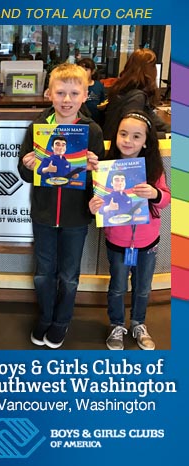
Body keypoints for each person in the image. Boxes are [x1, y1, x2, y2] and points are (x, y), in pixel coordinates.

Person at [18, 63, 105, 349]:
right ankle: (45, 317)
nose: (67, 100)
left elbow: (99, 180)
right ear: (49, 94)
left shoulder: (92, 131)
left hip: (75, 217)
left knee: (69, 276)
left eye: (74, 93)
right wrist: (28, 165)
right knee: (44, 273)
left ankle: (61, 321)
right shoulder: (38, 128)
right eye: (60, 93)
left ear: (85, 95)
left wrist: (94, 169)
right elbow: (25, 174)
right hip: (43, 214)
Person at [89, 110, 171, 350]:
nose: (128, 140)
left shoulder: (154, 170)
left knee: (143, 288)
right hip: (117, 241)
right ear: (115, 136)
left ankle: (138, 323)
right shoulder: (105, 168)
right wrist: (94, 207)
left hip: (147, 241)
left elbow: (165, 199)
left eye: (136, 136)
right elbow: (99, 204)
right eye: (123, 134)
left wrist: (154, 193)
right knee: (117, 287)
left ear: (146, 141)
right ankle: (116, 324)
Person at [103, 48, 171, 140]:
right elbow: (131, 132)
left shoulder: (124, 89)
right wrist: (164, 135)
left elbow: (154, 120)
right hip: (121, 144)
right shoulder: (137, 97)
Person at [77, 57, 106, 125]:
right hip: (79, 121)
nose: (83, 72)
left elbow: (103, 101)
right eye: (80, 70)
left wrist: (103, 106)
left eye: (86, 70)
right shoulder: (75, 86)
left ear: (92, 72)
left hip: (95, 121)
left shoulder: (98, 85)